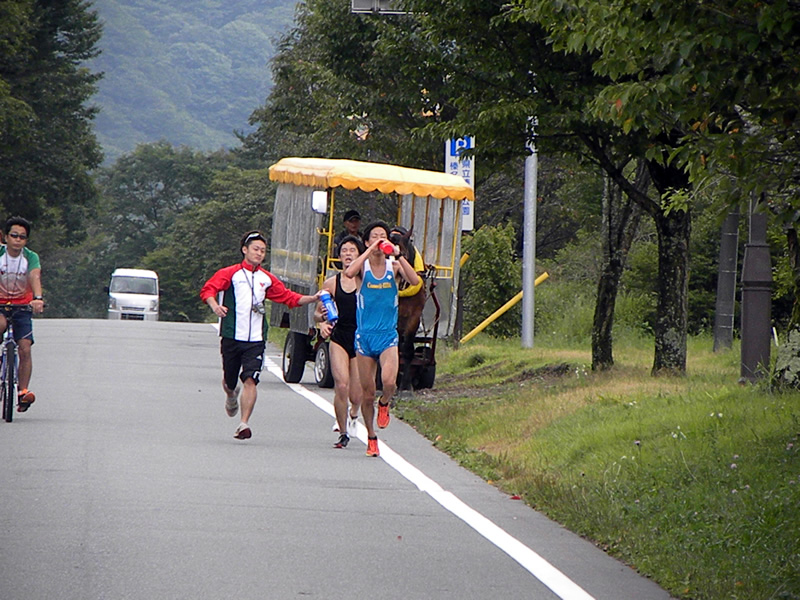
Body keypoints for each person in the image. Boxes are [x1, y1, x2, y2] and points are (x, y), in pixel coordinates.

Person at [200, 230, 321, 440]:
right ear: (244, 250)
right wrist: (215, 306)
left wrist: (313, 298)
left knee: (251, 379)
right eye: (255, 249)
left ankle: (244, 424)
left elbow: (288, 297)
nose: (259, 253)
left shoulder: (266, 279)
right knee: (230, 381)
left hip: (256, 339)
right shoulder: (230, 273)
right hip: (231, 336)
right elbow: (208, 290)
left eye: (263, 251)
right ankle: (231, 395)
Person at [344, 221, 420, 457]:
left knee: (388, 382)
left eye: (383, 236)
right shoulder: (363, 269)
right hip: (365, 337)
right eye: (375, 236)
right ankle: (371, 437)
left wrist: (398, 254)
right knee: (367, 394)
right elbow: (348, 273)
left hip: (387, 335)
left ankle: (385, 402)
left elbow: (415, 281)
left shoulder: (393, 266)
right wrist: (368, 250)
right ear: (367, 241)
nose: (379, 240)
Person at [315, 235, 364, 449]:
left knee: (356, 394)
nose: (348, 254)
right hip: (339, 337)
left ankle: (354, 413)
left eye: (352, 250)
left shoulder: (366, 281)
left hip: (360, 338)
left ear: (359, 255)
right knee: (341, 385)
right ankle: (343, 432)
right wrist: (322, 323)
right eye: (344, 250)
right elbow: (317, 313)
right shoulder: (331, 283)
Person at [0, 216, 45, 412]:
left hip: (22, 306)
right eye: (14, 236)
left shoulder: (30, 257)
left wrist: (38, 298)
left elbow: (34, 275)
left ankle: (22, 391)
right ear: (5, 237)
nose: (18, 240)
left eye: (22, 237)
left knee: (25, 347)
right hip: (0, 305)